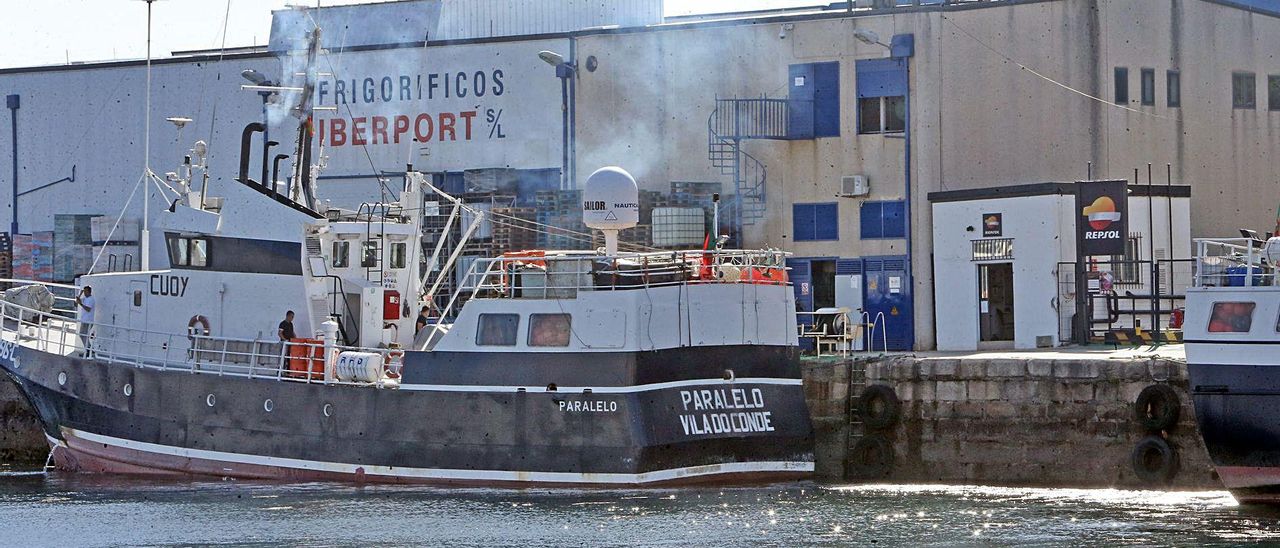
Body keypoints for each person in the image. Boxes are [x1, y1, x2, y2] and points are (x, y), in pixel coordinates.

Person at [74, 286, 95, 352]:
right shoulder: (84, 299)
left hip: (88, 321)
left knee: (83, 335)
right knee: (83, 335)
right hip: (84, 320)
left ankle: (89, 349)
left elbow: (88, 309)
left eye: (85, 291)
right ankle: (89, 349)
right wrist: (79, 295)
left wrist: (81, 304)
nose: (84, 293)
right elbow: (75, 304)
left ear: (89, 291)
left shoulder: (91, 299)